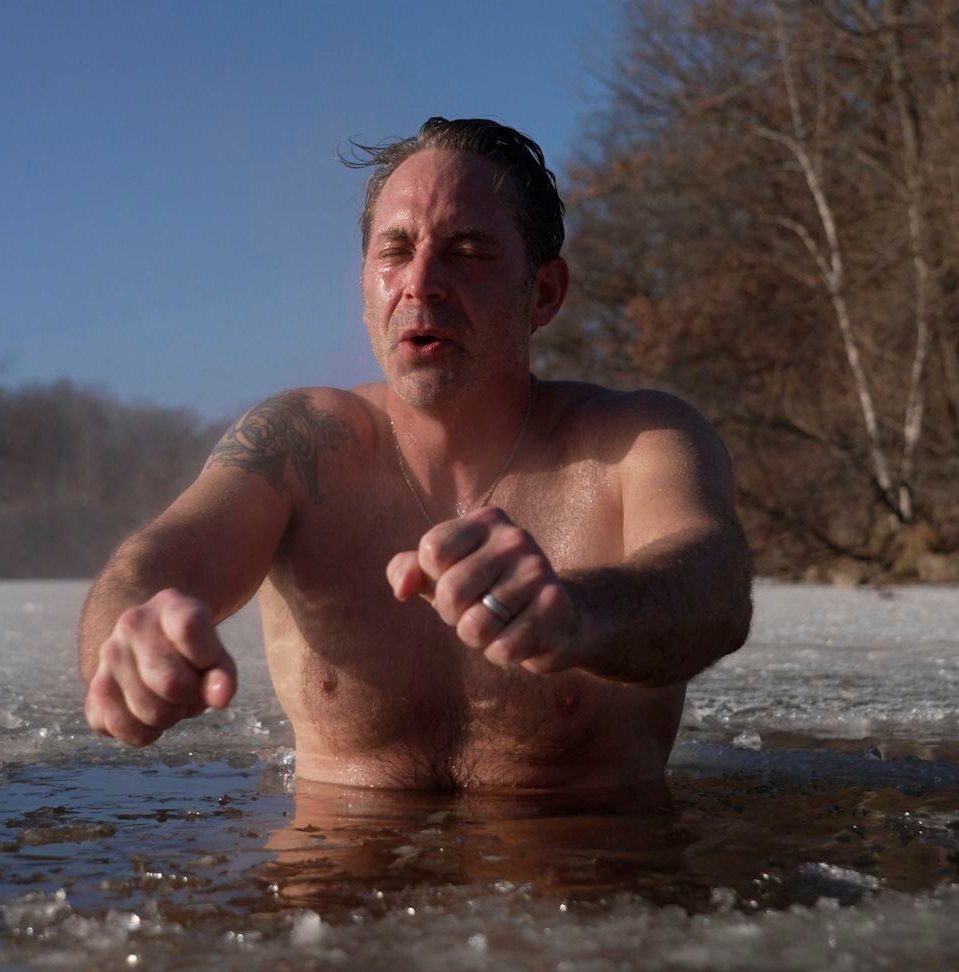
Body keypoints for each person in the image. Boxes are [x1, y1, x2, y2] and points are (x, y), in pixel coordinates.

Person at [77, 117, 752, 791]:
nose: (421, 282)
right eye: (395, 251)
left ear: (543, 292)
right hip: (336, 876)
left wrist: (580, 612)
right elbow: (149, 565)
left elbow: (711, 584)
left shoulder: (637, 438)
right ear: (365, 285)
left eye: (468, 250)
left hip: (587, 873)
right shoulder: (298, 441)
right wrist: (128, 641)